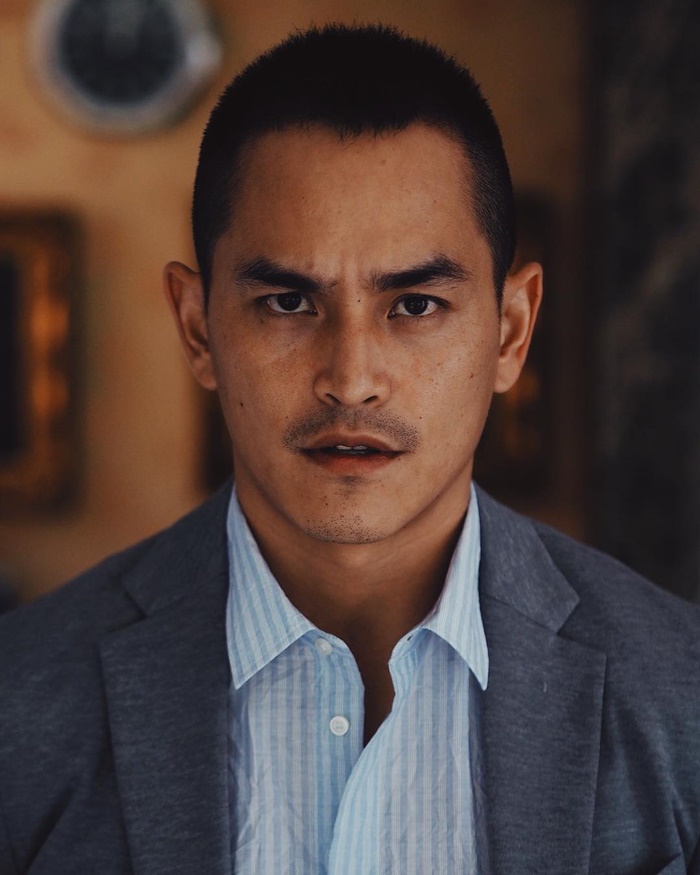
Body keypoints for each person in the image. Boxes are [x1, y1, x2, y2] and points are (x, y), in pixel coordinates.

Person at [1, 23, 699, 875]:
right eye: (288, 303)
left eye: (415, 305)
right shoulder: (20, 706)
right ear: (197, 327)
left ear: (511, 332)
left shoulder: (682, 697)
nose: (352, 379)